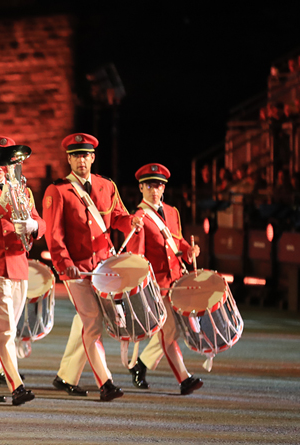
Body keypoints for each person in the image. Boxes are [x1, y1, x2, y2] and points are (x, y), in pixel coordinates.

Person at [43, 133, 141, 402]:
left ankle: (66, 376)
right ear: (68, 159)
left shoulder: (106, 185)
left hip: (104, 268)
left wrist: (131, 222)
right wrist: (65, 265)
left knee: (86, 325)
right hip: (77, 271)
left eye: (85, 155)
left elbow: (118, 216)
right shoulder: (58, 190)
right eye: (75, 155)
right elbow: (54, 234)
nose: (81, 160)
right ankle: (105, 382)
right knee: (93, 323)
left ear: (93, 157)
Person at [0, 137, 45, 405]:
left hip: (18, 265)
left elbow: (40, 222)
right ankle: (16, 384)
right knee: (2, 330)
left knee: (5, 330)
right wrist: (3, 202)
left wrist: (32, 226)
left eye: (6, 160)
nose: (2, 166)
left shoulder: (22, 190)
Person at [126, 164, 204, 396]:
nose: (154, 190)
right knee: (169, 331)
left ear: (164, 188)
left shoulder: (172, 212)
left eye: (158, 185)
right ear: (141, 187)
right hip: (156, 284)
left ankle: (140, 365)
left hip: (176, 280)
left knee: (175, 331)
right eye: (149, 185)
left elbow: (177, 243)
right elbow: (137, 257)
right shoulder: (138, 218)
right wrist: (144, 289)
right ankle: (184, 379)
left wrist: (189, 250)